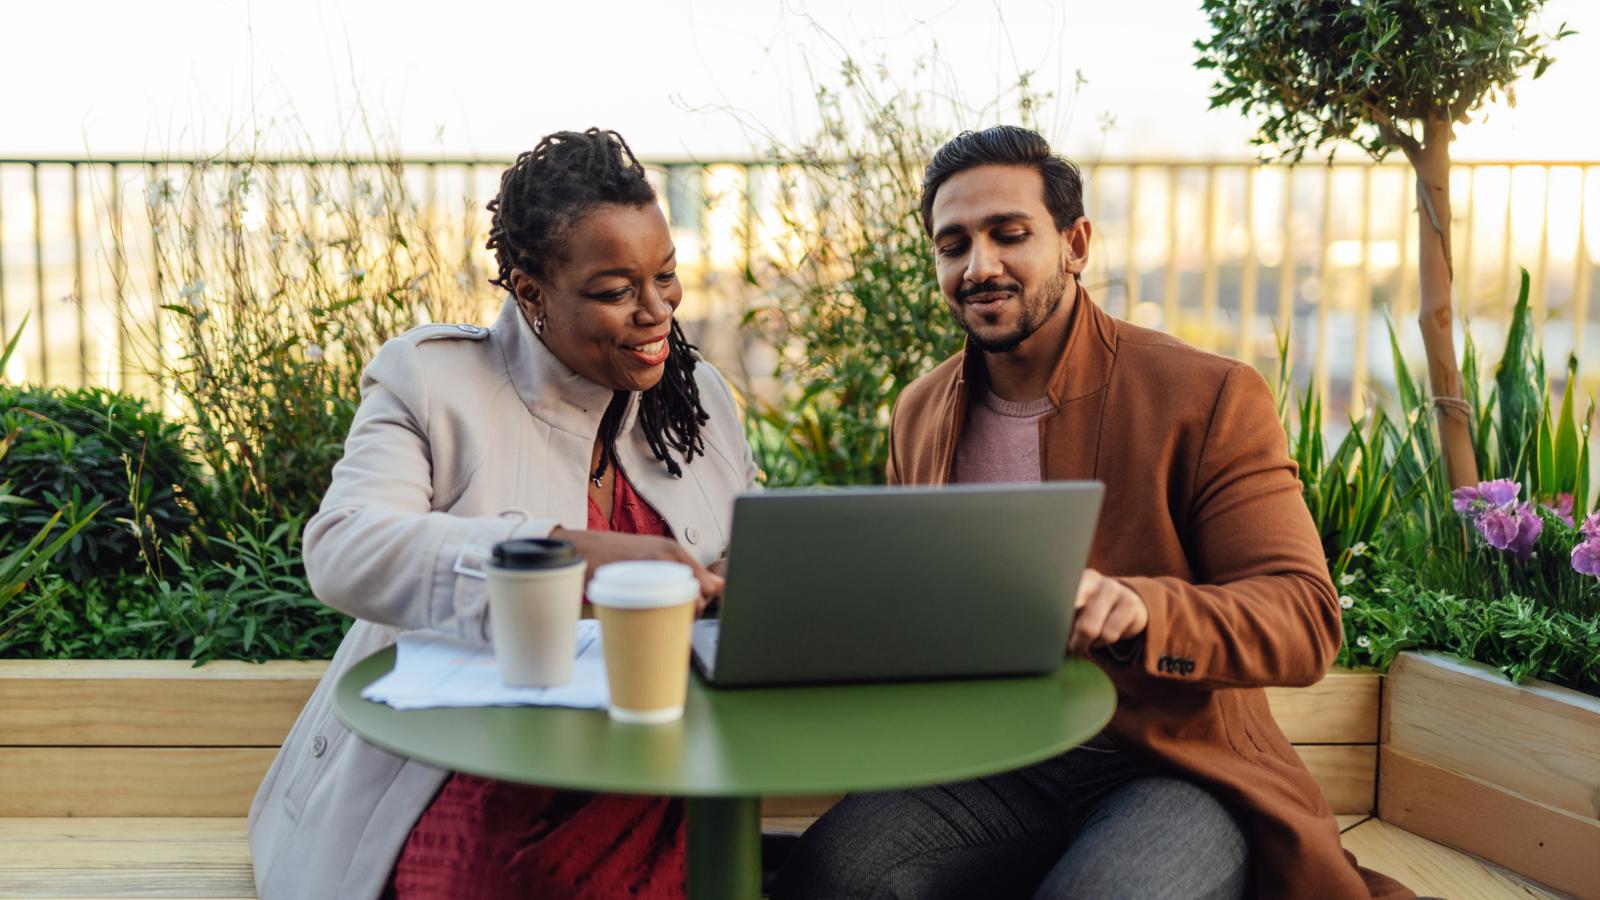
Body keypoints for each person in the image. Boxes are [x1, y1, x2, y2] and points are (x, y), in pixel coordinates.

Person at [771, 126, 1414, 899]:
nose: (980, 266)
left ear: (1075, 244)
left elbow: (1304, 619)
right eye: (954, 245)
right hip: (991, 762)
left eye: (1010, 235)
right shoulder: (919, 412)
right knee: (829, 879)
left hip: (1170, 765)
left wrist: (1142, 607)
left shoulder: (1205, 396)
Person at [247, 128, 759, 900]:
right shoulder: (432, 381)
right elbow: (344, 549)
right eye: (616, 291)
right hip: (472, 772)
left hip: (659, 767)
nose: (657, 312)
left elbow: (737, 555)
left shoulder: (701, 399)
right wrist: (566, 556)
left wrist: (732, 580)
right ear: (529, 293)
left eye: (666, 277)